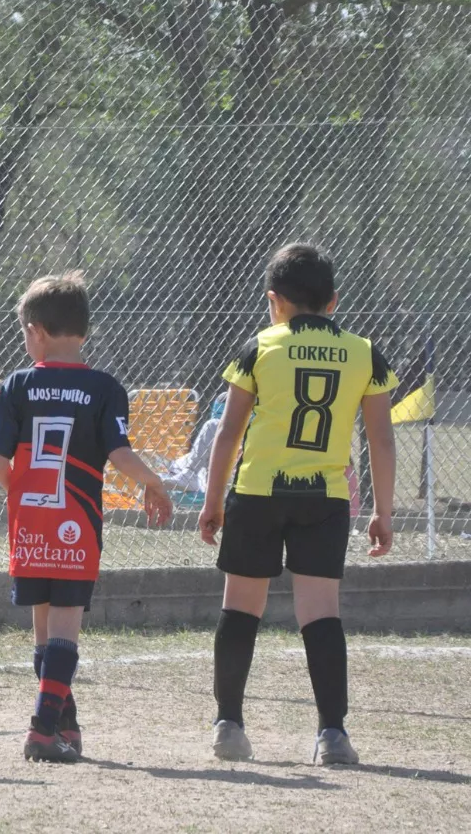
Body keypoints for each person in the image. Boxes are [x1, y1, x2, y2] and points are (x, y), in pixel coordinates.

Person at [200, 244, 396, 766]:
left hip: (259, 492)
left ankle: (229, 727)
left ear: (274, 300)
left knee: (240, 607)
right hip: (326, 498)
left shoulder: (260, 346)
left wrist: (213, 500)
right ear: (333, 301)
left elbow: (228, 431)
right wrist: (383, 511)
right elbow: (381, 439)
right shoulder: (365, 352)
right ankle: (332, 735)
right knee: (321, 614)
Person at [0, 272, 171, 763]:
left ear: (37, 330)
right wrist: (154, 482)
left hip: (30, 525)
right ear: (81, 331)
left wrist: (24, 494)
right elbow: (120, 453)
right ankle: (43, 730)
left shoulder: (17, 384)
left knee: (45, 637)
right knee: (64, 632)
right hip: (76, 525)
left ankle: (67, 725)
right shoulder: (105, 388)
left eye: (23, 331)